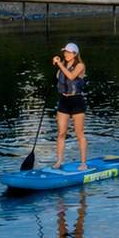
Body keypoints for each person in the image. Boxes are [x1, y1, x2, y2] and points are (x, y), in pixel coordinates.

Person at [52, 42, 88, 170]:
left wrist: (60, 64)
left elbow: (72, 77)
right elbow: (62, 77)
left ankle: (83, 162)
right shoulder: (63, 65)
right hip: (64, 100)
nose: (66, 54)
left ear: (75, 54)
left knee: (79, 133)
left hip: (76, 100)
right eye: (65, 52)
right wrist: (59, 64)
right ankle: (59, 161)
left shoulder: (80, 66)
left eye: (68, 52)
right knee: (61, 133)